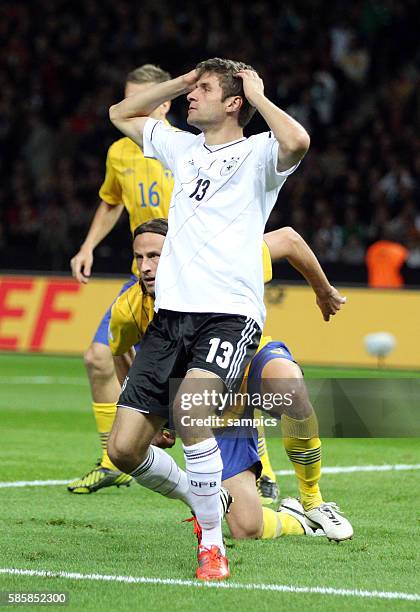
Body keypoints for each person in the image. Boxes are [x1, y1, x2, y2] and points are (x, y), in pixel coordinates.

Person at [107, 57, 311, 580]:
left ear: (234, 101)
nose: (189, 97)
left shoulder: (258, 152)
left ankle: (213, 549)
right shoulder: (182, 146)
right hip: (171, 317)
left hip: (228, 314)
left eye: (202, 90)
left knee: (193, 411)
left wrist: (260, 95)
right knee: (125, 448)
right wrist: (181, 80)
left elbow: (299, 141)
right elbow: (119, 113)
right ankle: (208, 504)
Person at [108, 218, 352, 544]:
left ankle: (313, 500)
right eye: (139, 258)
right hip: (214, 411)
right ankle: (299, 521)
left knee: (287, 383)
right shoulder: (130, 308)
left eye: (155, 256)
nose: (146, 267)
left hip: (248, 366)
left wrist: (323, 291)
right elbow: (119, 351)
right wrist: (146, 414)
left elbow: (290, 240)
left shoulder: (220, 263)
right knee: (246, 528)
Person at [67, 65, 174, 494]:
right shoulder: (118, 153)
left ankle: (260, 472)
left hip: (192, 280)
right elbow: (111, 202)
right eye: (126, 100)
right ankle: (113, 458)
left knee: (225, 376)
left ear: (165, 103)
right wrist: (88, 245)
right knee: (98, 356)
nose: (131, 110)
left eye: (142, 101)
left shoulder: (187, 148)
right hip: (143, 278)